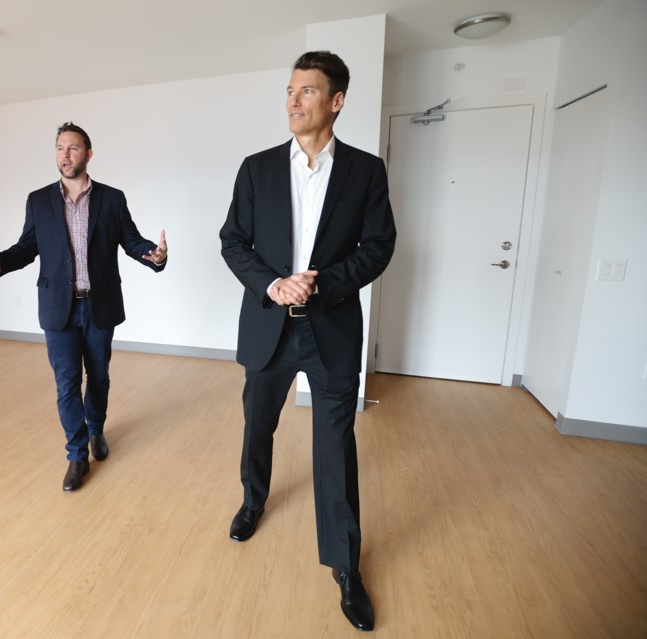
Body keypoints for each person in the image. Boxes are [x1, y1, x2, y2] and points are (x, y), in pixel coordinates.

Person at [219, 51, 396, 632]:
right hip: (269, 328)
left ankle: (345, 565)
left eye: (307, 91)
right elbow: (233, 242)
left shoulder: (366, 172)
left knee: (335, 448)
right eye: (289, 91)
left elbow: (378, 246)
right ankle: (252, 500)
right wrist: (274, 284)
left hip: (332, 328)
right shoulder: (256, 168)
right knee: (257, 425)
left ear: (336, 101)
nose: (293, 101)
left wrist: (320, 285)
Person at [0, 122, 167, 492]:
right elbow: (26, 248)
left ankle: (96, 431)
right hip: (57, 307)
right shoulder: (39, 200)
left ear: (88, 154)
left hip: (99, 305)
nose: (65, 155)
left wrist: (153, 255)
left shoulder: (112, 198)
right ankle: (76, 455)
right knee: (66, 383)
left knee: (99, 377)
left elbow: (131, 240)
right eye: (60, 148)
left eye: (73, 148)